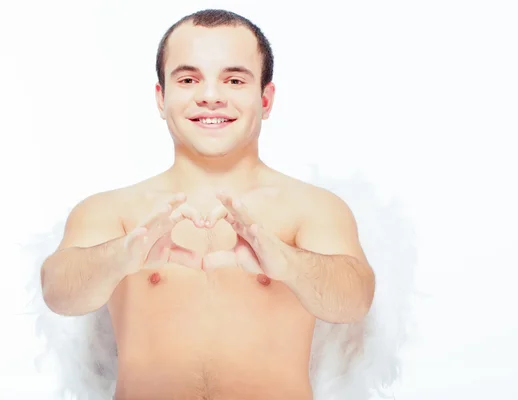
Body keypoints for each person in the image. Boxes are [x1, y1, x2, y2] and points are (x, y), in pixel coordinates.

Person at [38, 9, 378, 400]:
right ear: (161, 97)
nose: (211, 96)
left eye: (234, 80)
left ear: (265, 99)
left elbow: (355, 300)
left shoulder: (314, 208)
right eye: (188, 79)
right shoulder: (113, 211)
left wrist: (287, 262)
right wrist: (121, 256)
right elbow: (57, 292)